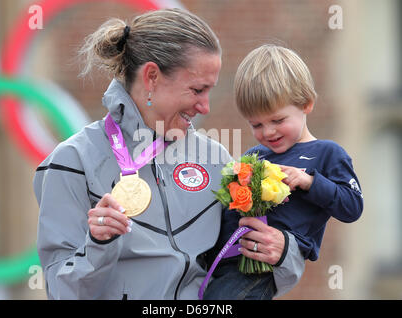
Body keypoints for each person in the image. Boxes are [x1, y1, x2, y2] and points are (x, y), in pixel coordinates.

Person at [33, 9, 304, 300]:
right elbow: (63, 292)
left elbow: (241, 270)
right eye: (197, 90)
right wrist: (99, 245)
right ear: (151, 77)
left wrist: (282, 252)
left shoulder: (214, 155)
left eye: (208, 91)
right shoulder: (71, 162)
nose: (205, 107)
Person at [203, 44, 363, 300]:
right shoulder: (254, 155)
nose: (268, 132)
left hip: (259, 271)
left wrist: (310, 182)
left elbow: (353, 206)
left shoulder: (327, 153)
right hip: (218, 264)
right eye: (256, 124)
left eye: (278, 121)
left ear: (306, 104)